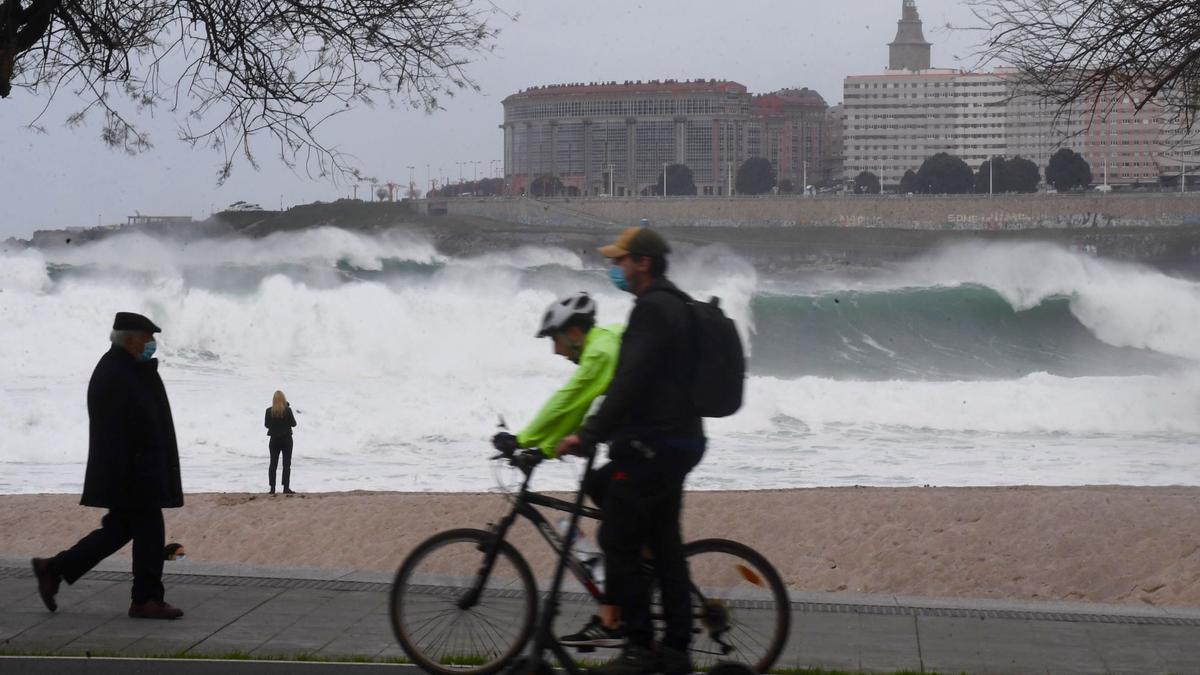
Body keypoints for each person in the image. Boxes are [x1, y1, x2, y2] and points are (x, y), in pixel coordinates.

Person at [557, 226, 705, 675]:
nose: (615, 268)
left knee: (615, 539)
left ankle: (639, 646)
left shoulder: (652, 311)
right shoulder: (675, 303)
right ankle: (676, 650)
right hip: (681, 440)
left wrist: (590, 433)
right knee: (663, 545)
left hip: (652, 444)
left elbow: (630, 381)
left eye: (621, 261)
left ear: (643, 262)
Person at [491, 291, 625, 648]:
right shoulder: (602, 344)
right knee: (601, 489)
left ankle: (619, 612)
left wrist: (523, 439)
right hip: (645, 442)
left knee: (615, 531)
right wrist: (545, 449)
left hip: (650, 446)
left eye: (555, 338)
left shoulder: (599, 352)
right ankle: (633, 580)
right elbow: (579, 412)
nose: (554, 349)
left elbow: (567, 401)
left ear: (574, 332)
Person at [31, 312, 185, 620]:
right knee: (150, 531)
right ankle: (145, 599)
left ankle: (54, 568)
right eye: (146, 338)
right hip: (133, 473)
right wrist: (140, 472)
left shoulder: (130, 367)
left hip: (137, 471)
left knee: (119, 529)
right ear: (129, 340)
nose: (152, 344)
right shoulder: (116, 373)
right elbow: (119, 432)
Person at [264, 390, 298, 494]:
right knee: (286, 464)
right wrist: (287, 408)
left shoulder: (269, 411)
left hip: (274, 440)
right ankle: (286, 488)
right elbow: (294, 424)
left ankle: (272, 488)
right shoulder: (287, 410)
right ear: (284, 399)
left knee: (273, 464)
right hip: (286, 439)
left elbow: (267, 425)